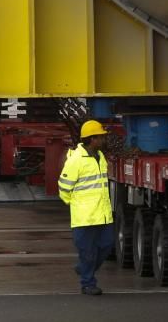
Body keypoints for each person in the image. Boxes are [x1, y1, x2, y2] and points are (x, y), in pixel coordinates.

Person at [59, 120, 113, 296]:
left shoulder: (100, 156)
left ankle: (83, 268)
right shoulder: (76, 160)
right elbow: (64, 187)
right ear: (92, 139)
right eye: (101, 137)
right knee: (88, 252)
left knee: (106, 246)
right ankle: (88, 284)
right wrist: (75, 204)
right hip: (84, 217)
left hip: (103, 214)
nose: (104, 140)